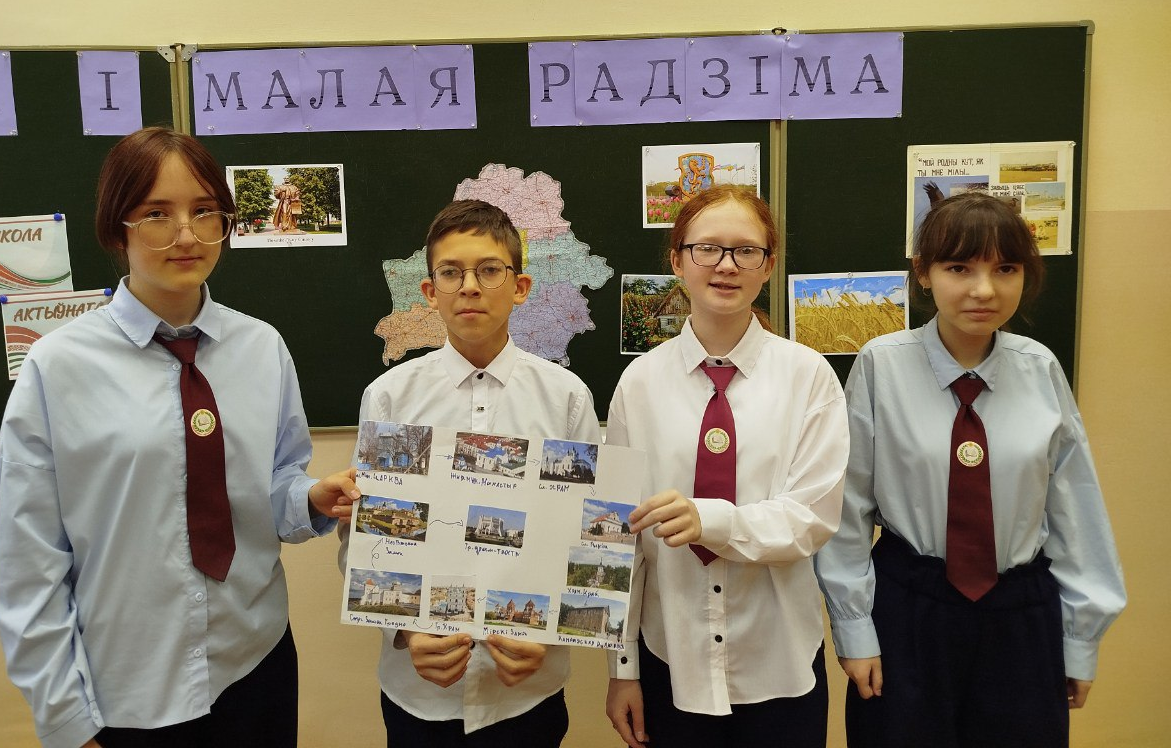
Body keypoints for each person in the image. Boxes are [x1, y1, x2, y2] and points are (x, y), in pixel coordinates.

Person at [0, 127, 360, 748]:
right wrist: (64, 719)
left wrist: (310, 497)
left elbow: (272, 486)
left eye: (205, 211)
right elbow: (29, 560)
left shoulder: (261, 348)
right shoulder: (58, 367)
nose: (187, 235)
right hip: (128, 687)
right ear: (117, 229)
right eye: (157, 213)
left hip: (255, 662)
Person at [814, 192, 1126, 748]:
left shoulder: (1040, 368)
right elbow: (848, 507)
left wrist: (1080, 639)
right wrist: (854, 629)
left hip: (1020, 612)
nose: (984, 290)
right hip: (910, 607)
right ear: (924, 272)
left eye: (1005, 269)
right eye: (959, 268)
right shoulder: (881, 364)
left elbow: (1075, 509)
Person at [346, 198, 601, 747]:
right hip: (419, 696)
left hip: (527, 694)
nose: (469, 287)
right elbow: (364, 539)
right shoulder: (390, 398)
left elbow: (586, 538)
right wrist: (405, 628)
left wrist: (554, 632)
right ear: (429, 291)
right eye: (451, 272)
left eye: (489, 270)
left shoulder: (567, 400)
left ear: (521, 286)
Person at [605, 184, 849, 748]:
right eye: (707, 248)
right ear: (677, 260)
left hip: (779, 661)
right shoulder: (639, 383)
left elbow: (811, 518)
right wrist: (623, 669)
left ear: (769, 265)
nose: (726, 265)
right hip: (671, 658)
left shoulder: (809, 376)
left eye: (746, 251)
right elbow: (618, 538)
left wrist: (711, 521)